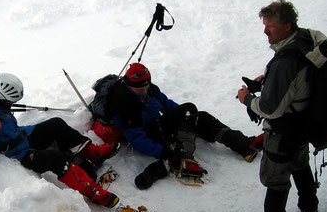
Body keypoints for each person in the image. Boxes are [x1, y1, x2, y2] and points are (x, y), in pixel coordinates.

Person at [0, 73, 121, 208]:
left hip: (21, 136)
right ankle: (91, 191)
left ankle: (92, 153)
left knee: (56, 124)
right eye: (10, 103)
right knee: (56, 159)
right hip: (18, 154)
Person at [237, 0, 319, 212]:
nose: (265, 30)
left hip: (283, 130)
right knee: (300, 165)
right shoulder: (306, 40)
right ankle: (310, 210)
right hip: (304, 121)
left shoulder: (285, 62)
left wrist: (246, 98)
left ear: (286, 26)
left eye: (270, 26)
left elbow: (269, 108)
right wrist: (270, 80)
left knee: (276, 178)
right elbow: (300, 79)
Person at [112, 62, 264, 189]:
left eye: (146, 87)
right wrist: (164, 153)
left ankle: (243, 145)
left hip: (160, 125)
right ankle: (184, 159)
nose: (145, 91)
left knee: (200, 116)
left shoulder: (149, 89)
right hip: (151, 133)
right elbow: (138, 140)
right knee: (189, 110)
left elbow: (168, 105)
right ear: (129, 85)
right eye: (140, 90)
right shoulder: (124, 105)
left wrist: (189, 120)